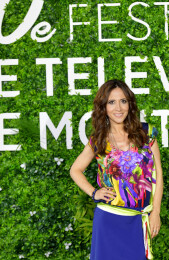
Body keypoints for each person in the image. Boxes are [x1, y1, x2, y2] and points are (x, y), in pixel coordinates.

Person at [70, 79, 163, 260]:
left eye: (123, 101)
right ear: (103, 107)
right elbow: (75, 169)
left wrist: (156, 212)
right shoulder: (99, 140)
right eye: (111, 102)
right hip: (108, 220)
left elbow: (158, 175)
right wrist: (93, 193)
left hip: (138, 220)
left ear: (130, 104)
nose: (118, 108)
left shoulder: (147, 133)